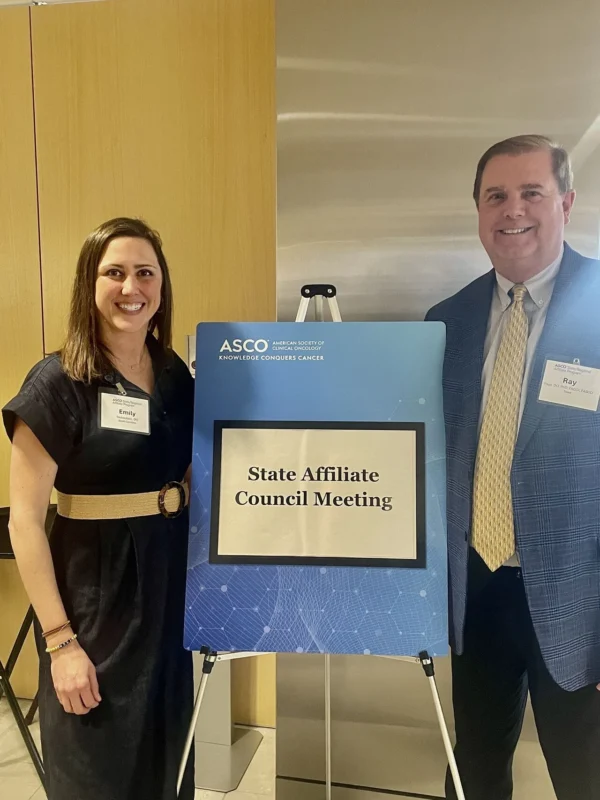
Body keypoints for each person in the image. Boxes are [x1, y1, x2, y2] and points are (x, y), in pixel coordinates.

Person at [426, 135, 600, 800]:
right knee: (473, 772)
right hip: (476, 591)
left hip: (581, 603)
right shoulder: (449, 321)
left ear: (566, 203)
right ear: (478, 210)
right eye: (495, 196)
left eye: (532, 192)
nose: (513, 210)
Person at [3, 217, 196, 800]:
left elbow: (189, 466)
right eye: (114, 273)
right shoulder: (58, 381)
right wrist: (60, 643)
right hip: (94, 603)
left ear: (161, 286)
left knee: (167, 763)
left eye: (145, 273)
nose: (131, 288)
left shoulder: (173, 374)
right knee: (97, 765)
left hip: (167, 598)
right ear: (89, 282)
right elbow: (25, 522)